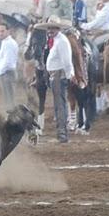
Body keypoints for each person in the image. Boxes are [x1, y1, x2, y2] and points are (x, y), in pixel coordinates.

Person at [35, 15, 75, 143]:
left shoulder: (61, 41)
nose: (50, 30)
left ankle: (62, 134)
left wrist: (70, 75)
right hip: (54, 75)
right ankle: (61, 133)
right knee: (59, 104)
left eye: (53, 28)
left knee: (59, 104)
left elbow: (67, 61)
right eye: (49, 28)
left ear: (58, 28)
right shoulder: (55, 40)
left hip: (58, 75)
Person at [0, 23, 19, 111]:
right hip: (6, 73)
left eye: (2, 31)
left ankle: (12, 119)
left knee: (9, 99)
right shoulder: (5, 42)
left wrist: (0, 72)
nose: (0, 33)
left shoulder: (9, 43)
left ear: (8, 31)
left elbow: (8, 61)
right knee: (8, 98)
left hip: (7, 73)